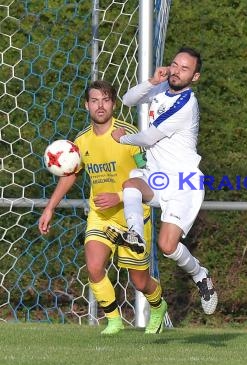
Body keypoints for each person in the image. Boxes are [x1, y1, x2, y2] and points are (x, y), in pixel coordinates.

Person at [39, 80, 167, 334]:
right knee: (95, 266)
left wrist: (120, 196)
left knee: (140, 282)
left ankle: (158, 306)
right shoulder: (82, 141)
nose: (100, 105)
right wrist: (50, 207)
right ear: (87, 105)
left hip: (134, 218)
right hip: (101, 216)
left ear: (114, 104)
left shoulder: (128, 135)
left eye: (105, 100)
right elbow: (71, 173)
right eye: (95, 100)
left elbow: (149, 177)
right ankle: (114, 320)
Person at [105, 46, 218, 315]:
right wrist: (152, 82)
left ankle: (201, 275)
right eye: (175, 64)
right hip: (157, 178)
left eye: (185, 68)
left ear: (195, 77)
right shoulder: (162, 87)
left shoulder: (186, 104)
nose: (177, 71)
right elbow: (128, 99)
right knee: (131, 184)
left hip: (183, 182)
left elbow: (148, 138)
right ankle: (134, 234)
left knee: (168, 246)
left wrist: (122, 138)